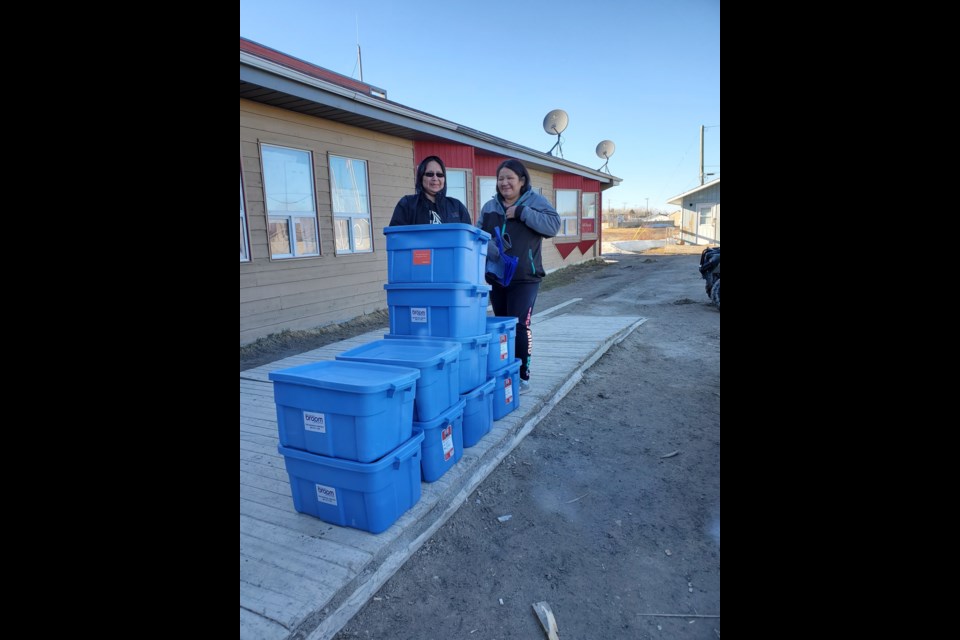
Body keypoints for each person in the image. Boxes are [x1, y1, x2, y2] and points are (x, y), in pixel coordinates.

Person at [477, 159, 560, 394]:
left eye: (510, 178)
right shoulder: (490, 207)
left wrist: (523, 212)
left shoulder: (534, 201)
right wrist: (493, 250)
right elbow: (479, 236)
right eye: (501, 178)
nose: (505, 183)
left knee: (520, 325)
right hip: (497, 277)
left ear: (521, 181)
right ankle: (505, 370)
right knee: (502, 325)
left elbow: (553, 226)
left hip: (526, 276)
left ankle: (522, 375)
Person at [389, 156, 471, 226]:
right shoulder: (407, 204)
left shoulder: (457, 206)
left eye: (439, 174)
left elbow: (469, 237)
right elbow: (396, 237)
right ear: (421, 177)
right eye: (429, 174)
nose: (435, 178)